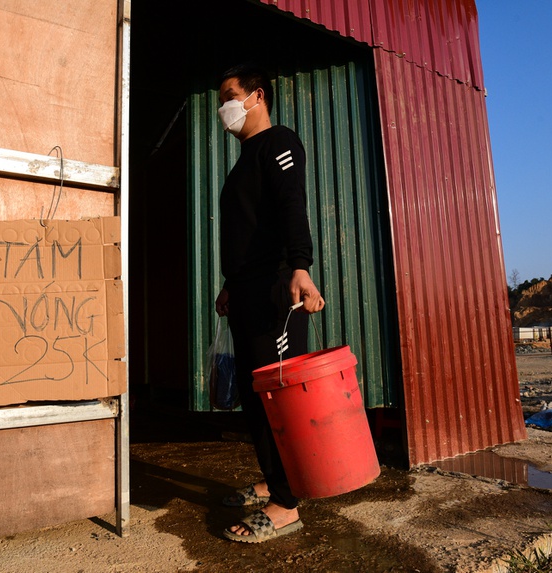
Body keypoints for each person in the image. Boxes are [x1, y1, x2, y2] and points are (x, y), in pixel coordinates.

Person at [213, 63, 325, 543]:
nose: (224, 108)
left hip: (276, 291)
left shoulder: (279, 143)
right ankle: (270, 479)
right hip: (247, 292)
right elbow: (245, 231)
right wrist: (230, 283)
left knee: (278, 400)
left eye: (230, 96)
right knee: (258, 400)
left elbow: (290, 204)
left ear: (256, 96)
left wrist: (300, 266)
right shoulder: (245, 157)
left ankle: (286, 504)